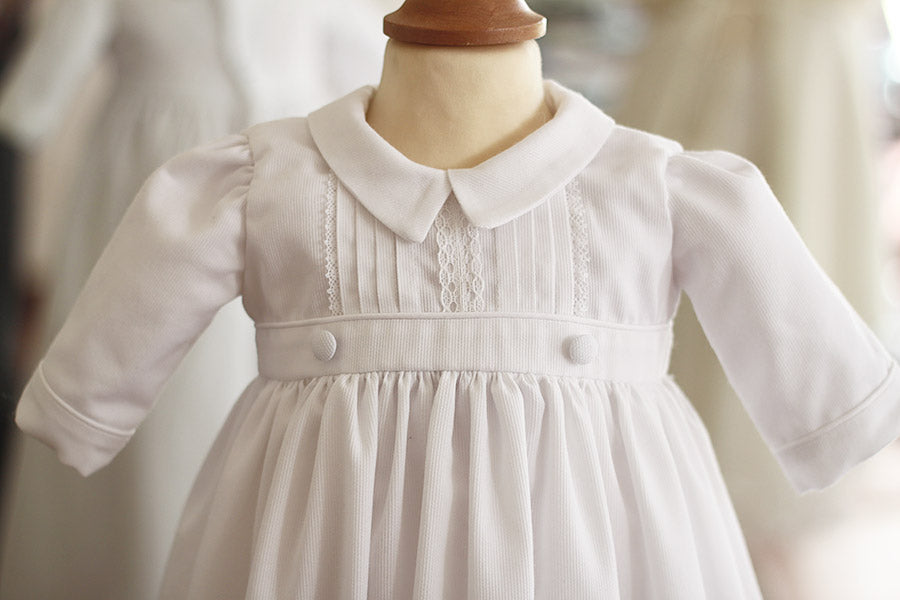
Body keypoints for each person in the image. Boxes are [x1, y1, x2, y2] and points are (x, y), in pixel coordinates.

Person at [13, 1, 900, 597]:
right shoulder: (254, 185)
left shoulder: (664, 189)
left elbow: (833, 395)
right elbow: (87, 391)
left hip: (602, 553)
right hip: (322, 544)